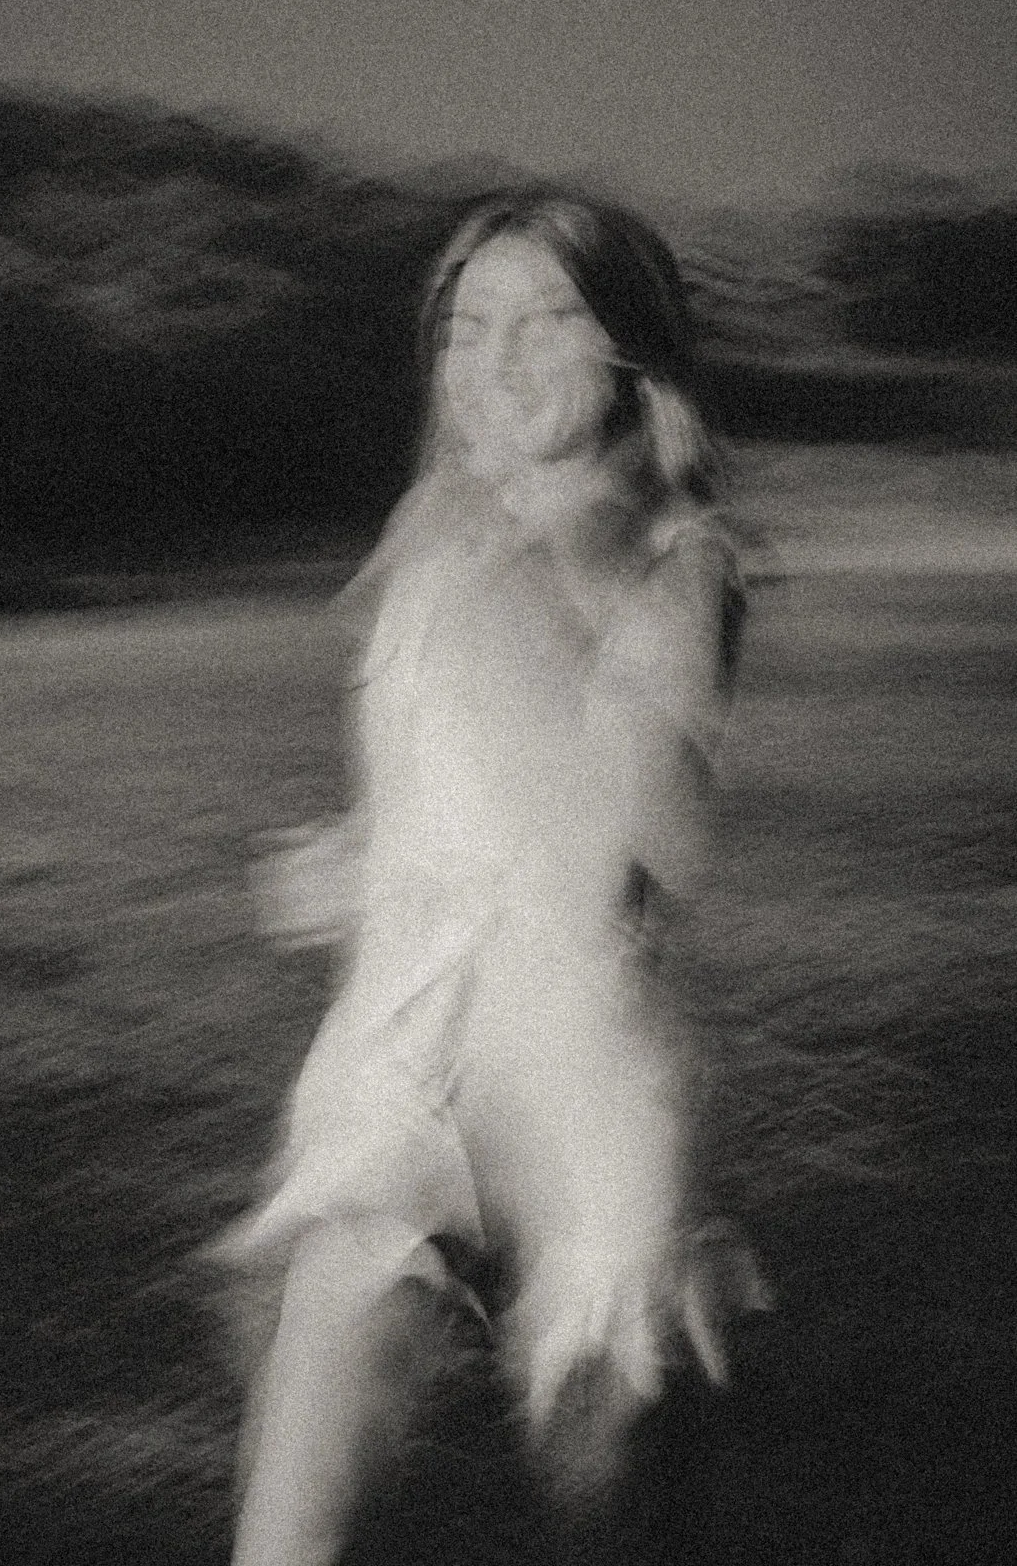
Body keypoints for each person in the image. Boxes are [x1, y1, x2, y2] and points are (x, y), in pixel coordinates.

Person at [215, 188, 767, 1564]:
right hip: (399, 1080)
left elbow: (655, 845)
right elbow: (442, 814)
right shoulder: (430, 540)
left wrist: (544, 578)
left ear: (631, 352)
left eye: (547, 320)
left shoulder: (678, 561)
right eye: (471, 326)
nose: (497, 359)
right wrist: (346, 872)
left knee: (627, 1509)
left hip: (581, 1100)